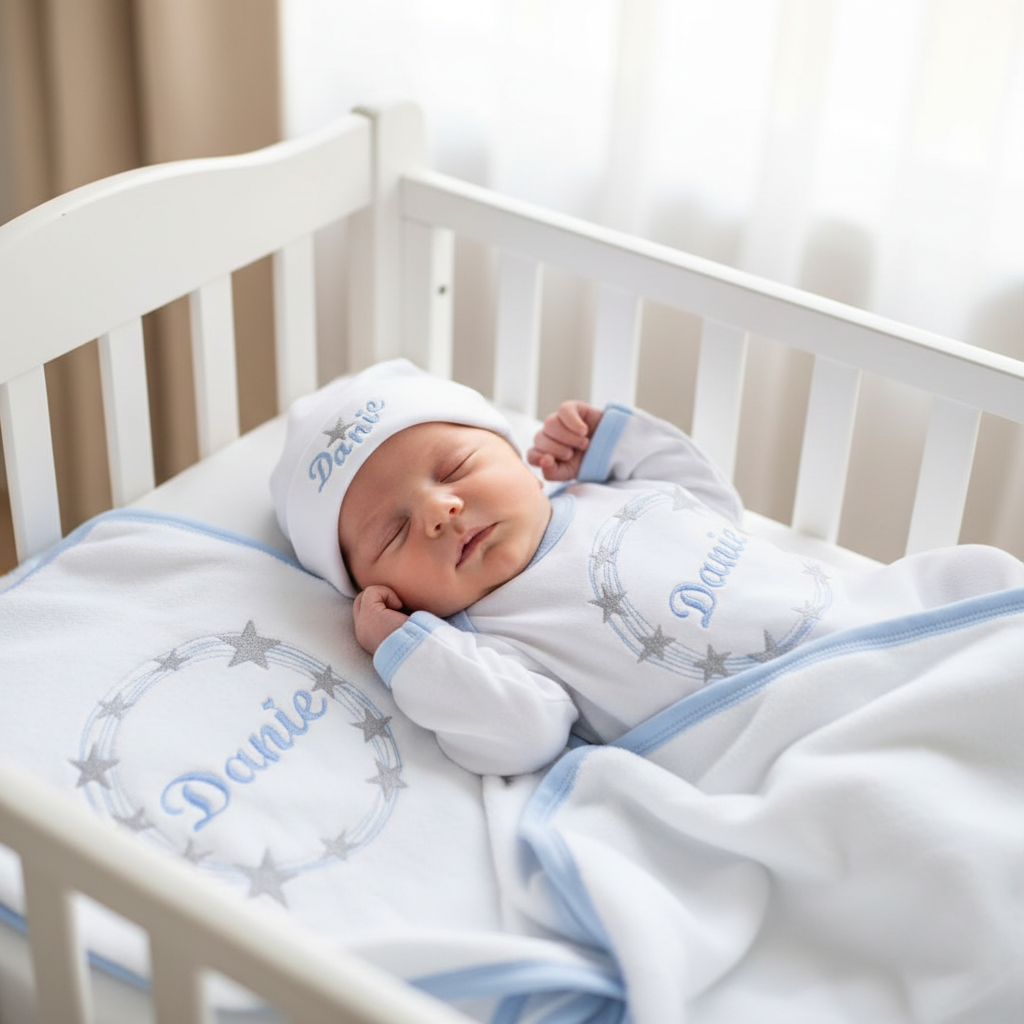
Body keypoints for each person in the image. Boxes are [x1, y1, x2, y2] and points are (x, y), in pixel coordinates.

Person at [271, 359, 1024, 776]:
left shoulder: (604, 491)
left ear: (512, 448)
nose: (439, 512)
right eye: (394, 532)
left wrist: (617, 442)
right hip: (775, 734)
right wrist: (408, 651)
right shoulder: (484, 636)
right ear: (382, 589)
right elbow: (521, 734)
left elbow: (710, 502)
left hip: (869, 628)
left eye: (458, 466)